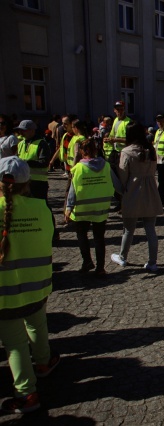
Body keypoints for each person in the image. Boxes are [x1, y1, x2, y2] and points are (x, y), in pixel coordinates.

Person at [0, 156, 60, 414]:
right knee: (37, 323)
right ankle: (44, 361)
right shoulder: (41, 208)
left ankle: (26, 393)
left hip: (6, 293)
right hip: (38, 285)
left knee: (14, 343)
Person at [111, 122, 164, 272]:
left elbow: (123, 175)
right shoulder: (150, 149)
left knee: (128, 229)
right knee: (150, 228)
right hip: (150, 189)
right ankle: (153, 262)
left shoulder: (127, 152)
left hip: (133, 189)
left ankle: (123, 257)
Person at [65, 139, 122, 275]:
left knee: (82, 236)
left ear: (81, 152)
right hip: (100, 209)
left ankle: (87, 261)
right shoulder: (106, 166)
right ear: (96, 150)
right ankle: (100, 268)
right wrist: (125, 198)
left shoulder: (78, 168)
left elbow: (72, 191)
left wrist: (68, 208)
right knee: (99, 238)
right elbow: (117, 186)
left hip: (82, 209)